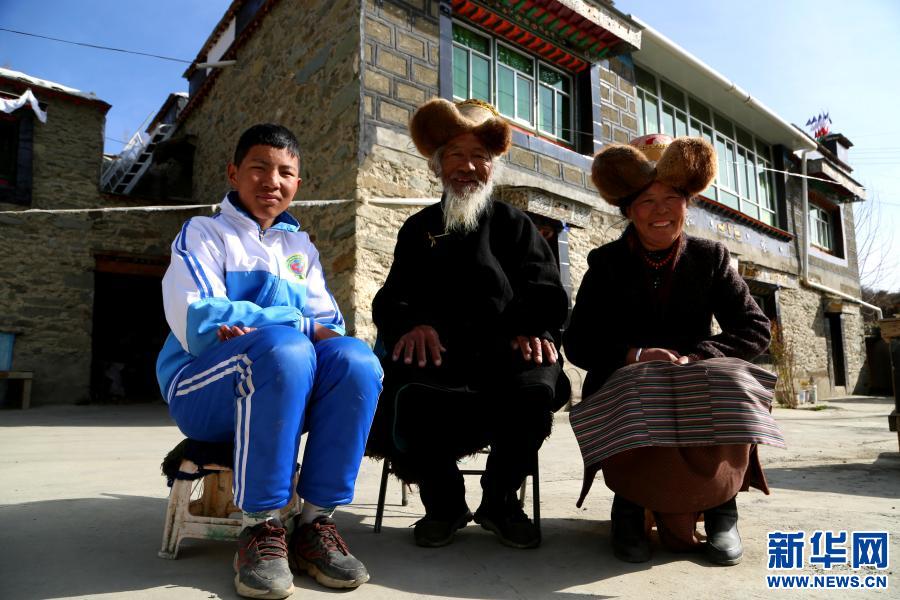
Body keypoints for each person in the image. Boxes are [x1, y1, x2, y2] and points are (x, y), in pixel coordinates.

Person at [156, 124, 382, 599]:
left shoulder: (300, 248)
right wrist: (290, 325)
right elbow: (201, 318)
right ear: (234, 173)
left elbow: (331, 327)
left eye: (285, 172)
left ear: (297, 183)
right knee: (285, 348)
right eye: (259, 167)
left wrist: (260, 328)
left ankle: (315, 524)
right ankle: (260, 527)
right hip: (202, 388)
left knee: (356, 361)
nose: (272, 181)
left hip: (282, 383)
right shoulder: (204, 233)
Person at [563, 133, 784, 566]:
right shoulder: (605, 264)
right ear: (629, 211)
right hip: (629, 378)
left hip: (696, 376)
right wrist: (635, 356)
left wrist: (699, 357)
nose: (660, 210)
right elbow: (579, 341)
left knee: (731, 381)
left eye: (671, 198)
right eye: (646, 201)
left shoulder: (710, 257)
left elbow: (755, 327)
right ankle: (629, 508)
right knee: (637, 385)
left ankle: (722, 509)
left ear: (687, 204)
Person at [369, 98, 570, 550]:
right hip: (439, 354)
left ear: (492, 167)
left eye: (480, 156)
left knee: (537, 382)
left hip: (505, 351)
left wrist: (530, 328)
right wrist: (412, 325)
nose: (468, 166)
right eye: (456, 155)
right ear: (439, 167)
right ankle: (444, 505)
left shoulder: (515, 224)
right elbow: (393, 296)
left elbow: (547, 290)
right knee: (405, 387)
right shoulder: (418, 228)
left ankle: (500, 501)